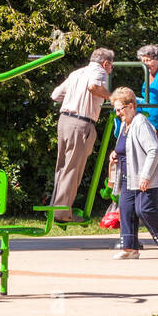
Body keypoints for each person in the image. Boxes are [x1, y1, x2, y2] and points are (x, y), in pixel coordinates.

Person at [109, 87, 158, 258]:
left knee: (145, 209)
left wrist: (145, 176)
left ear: (132, 106)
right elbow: (126, 148)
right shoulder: (126, 125)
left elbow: (154, 149)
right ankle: (130, 248)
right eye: (116, 110)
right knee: (126, 210)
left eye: (120, 109)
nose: (118, 113)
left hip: (144, 176)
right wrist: (115, 154)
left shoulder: (140, 122)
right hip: (128, 177)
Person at [49, 48, 113, 222]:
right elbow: (93, 87)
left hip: (64, 121)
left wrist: (74, 98)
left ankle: (56, 209)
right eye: (111, 66)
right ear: (105, 63)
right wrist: (112, 97)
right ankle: (62, 214)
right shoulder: (99, 71)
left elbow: (55, 95)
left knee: (62, 167)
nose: (110, 69)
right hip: (81, 123)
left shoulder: (77, 72)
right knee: (73, 168)